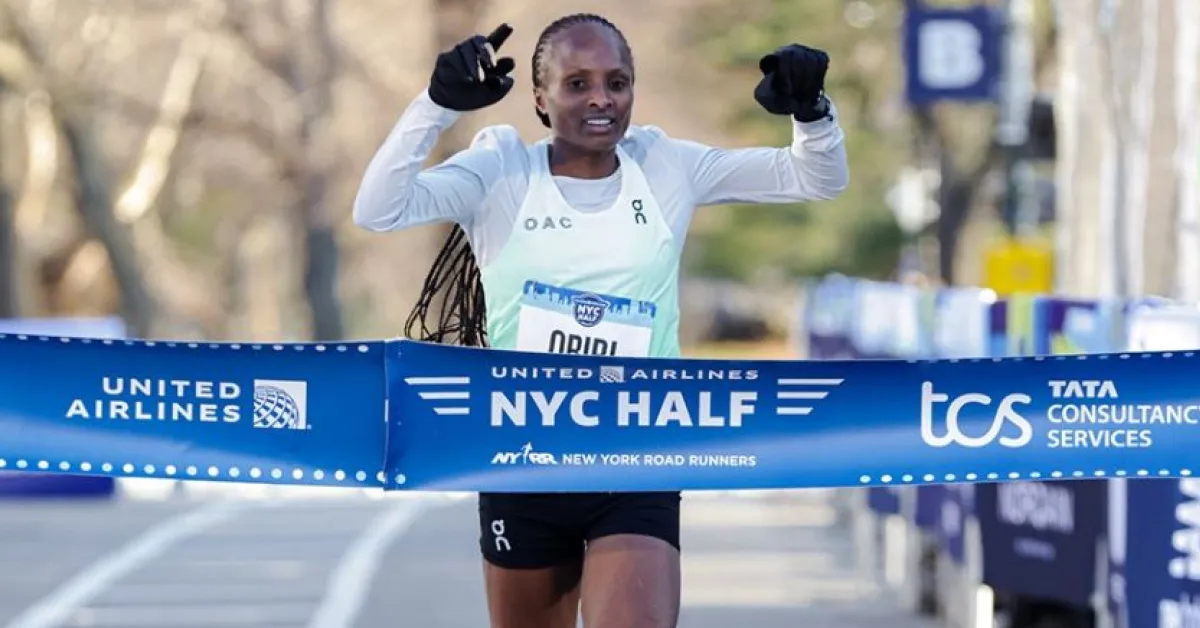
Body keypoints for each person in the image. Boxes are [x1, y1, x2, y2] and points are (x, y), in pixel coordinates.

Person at [352, 13, 848, 628]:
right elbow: (377, 209)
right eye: (577, 83)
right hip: (522, 457)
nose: (601, 99)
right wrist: (436, 106)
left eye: (617, 83)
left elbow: (816, 179)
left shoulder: (665, 166)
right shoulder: (499, 172)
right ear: (539, 97)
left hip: (637, 455)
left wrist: (812, 113)